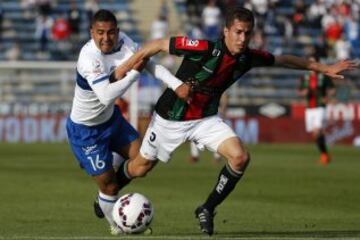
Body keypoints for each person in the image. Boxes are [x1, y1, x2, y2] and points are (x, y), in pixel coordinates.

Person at [110, 6, 358, 236]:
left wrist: (323, 68)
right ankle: (109, 192)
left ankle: (207, 208)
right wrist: (124, 69)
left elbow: (284, 60)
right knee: (141, 168)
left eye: (247, 33)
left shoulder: (248, 57)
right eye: (238, 32)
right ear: (226, 31)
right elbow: (156, 45)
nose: (242, 38)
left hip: (205, 119)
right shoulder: (204, 48)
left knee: (240, 157)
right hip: (170, 118)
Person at [65, 9, 191, 235]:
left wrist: (175, 84)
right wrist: (134, 74)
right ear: (91, 32)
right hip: (86, 131)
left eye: (111, 32)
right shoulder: (88, 57)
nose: (106, 38)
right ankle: (119, 225)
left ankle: (107, 184)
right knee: (110, 186)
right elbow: (106, 96)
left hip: (111, 121)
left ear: (118, 32)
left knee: (146, 160)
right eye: (100, 33)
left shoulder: (125, 43)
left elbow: (149, 64)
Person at [298, 56, 336, 165]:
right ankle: (325, 154)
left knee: (317, 131)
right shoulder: (305, 77)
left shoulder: (323, 76)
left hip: (320, 106)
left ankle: (324, 156)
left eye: (313, 62)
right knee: (315, 135)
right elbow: (300, 91)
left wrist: (327, 97)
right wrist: (303, 93)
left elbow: (332, 89)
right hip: (310, 108)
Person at [189, 92, 229, 163]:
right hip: (203, 110)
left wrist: (223, 110)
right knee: (195, 132)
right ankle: (195, 155)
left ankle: (217, 156)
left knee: (216, 134)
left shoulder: (218, 83)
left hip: (214, 110)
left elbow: (224, 96)